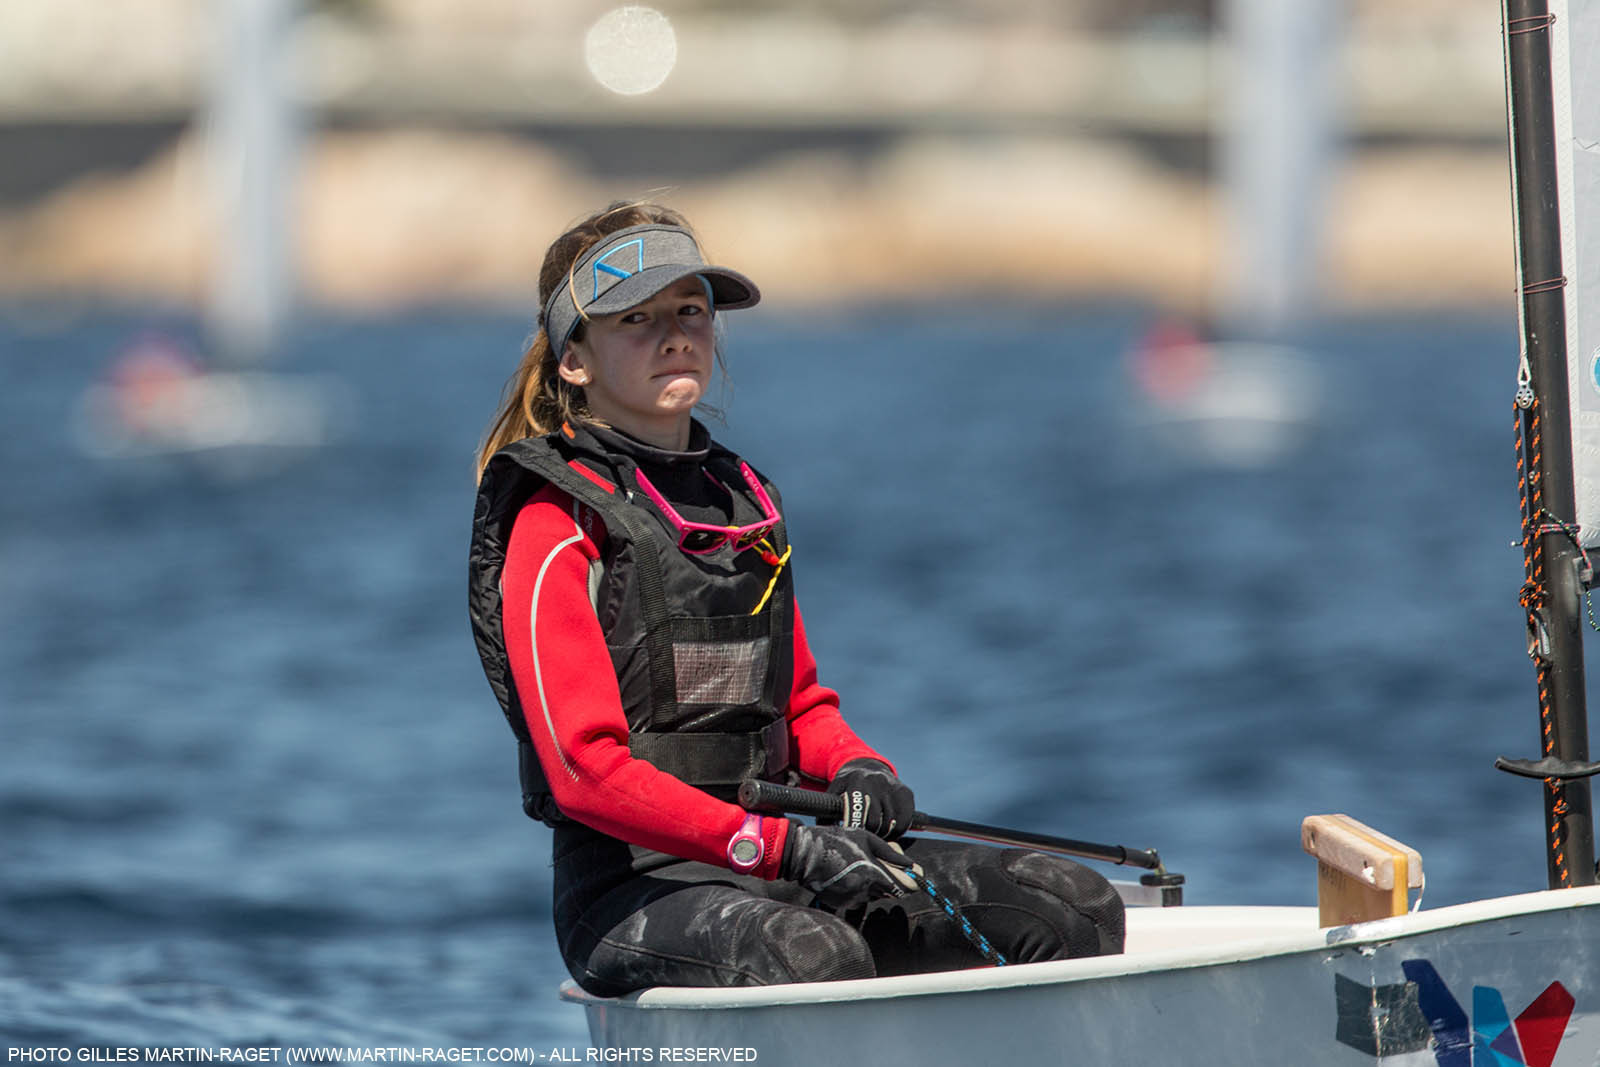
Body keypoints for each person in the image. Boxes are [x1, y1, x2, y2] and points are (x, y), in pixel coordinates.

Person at [468, 201, 1124, 995]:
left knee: (1072, 908)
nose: (675, 334)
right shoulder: (553, 525)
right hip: (629, 890)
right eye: (636, 319)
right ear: (574, 359)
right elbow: (585, 771)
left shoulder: (743, 501)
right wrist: (774, 847)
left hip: (772, 859)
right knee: (816, 958)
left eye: (690, 311)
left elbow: (803, 704)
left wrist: (859, 767)